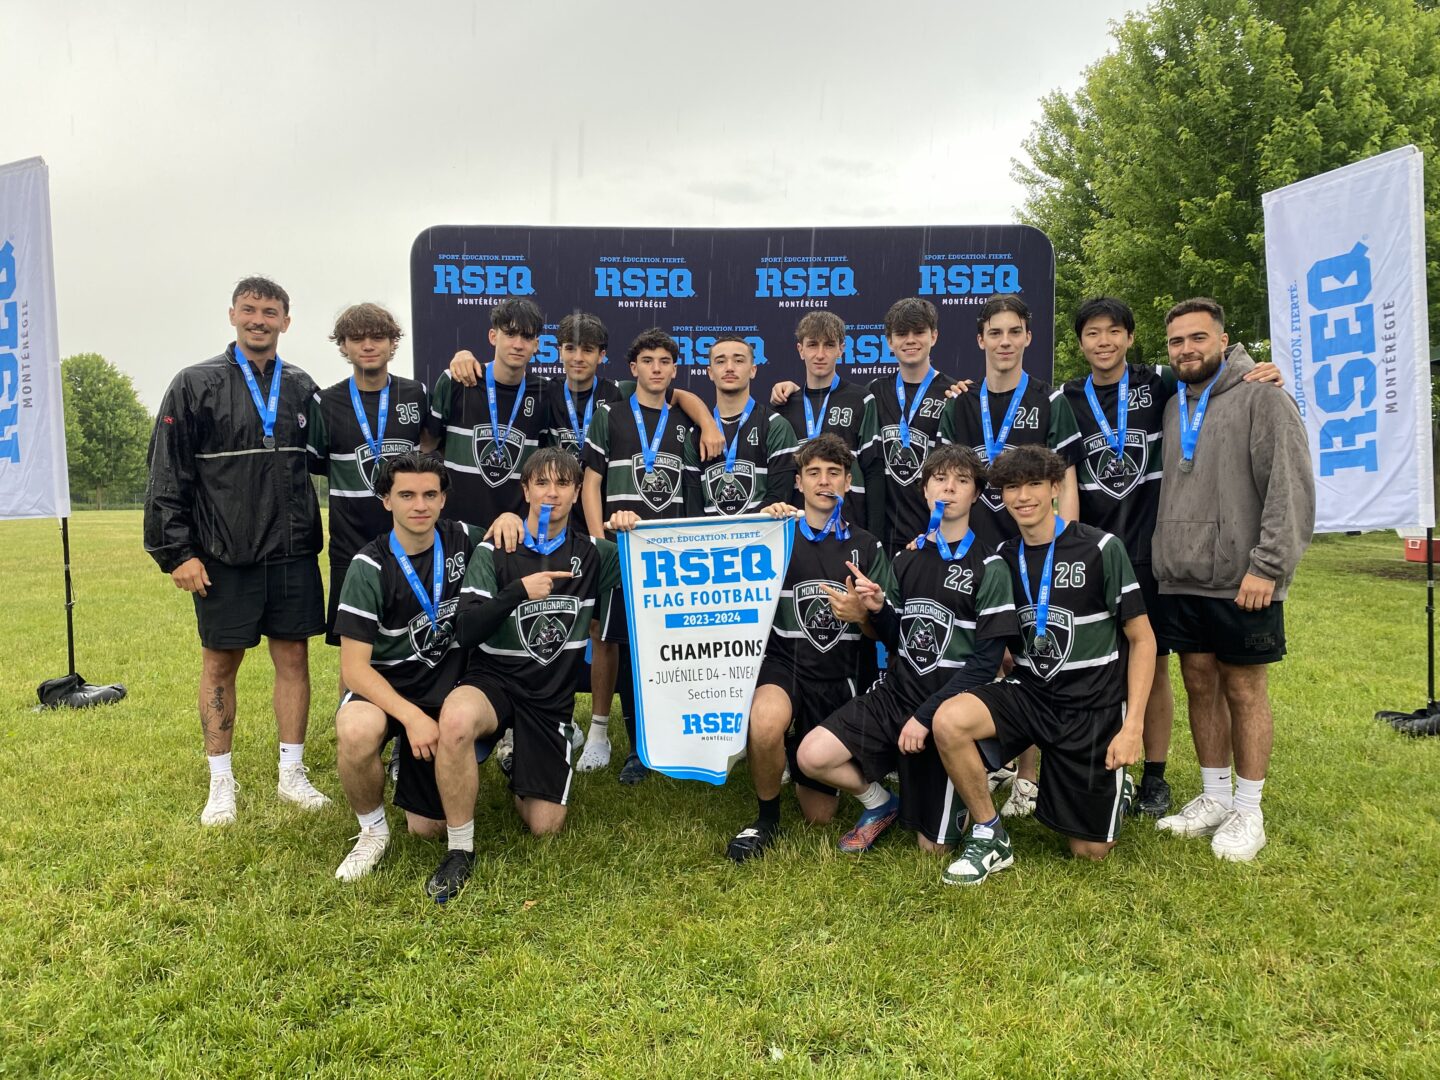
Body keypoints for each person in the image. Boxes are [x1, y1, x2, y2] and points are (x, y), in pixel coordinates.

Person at [1060, 296, 1286, 817]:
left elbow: (1213, 375)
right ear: (1080, 343)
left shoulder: (1159, 381)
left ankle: (1155, 778)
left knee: (1155, 666)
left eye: (1114, 331)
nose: (1103, 341)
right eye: (1092, 333)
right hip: (1095, 554)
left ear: (1130, 338)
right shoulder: (1064, 398)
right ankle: (1097, 765)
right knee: (1099, 665)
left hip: (1153, 555)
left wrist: (1257, 369)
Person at [144, 276, 330, 826]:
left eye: (270, 311)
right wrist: (177, 552)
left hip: (293, 552)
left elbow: (334, 458)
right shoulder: (194, 383)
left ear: (285, 322)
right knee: (221, 664)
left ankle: (291, 774)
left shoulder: (302, 387)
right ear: (232, 315)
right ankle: (221, 780)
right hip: (224, 555)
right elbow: (165, 472)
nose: (259, 319)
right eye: (249, 309)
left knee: (293, 660)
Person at [931, 445, 1156, 886]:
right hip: (1032, 693)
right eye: (1012, 487)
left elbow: (1142, 639)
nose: (1023, 496)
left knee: (1089, 852)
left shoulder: (1101, 548)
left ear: (1055, 488)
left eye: (1035, 484)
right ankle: (990, 833)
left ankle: (1115, 785)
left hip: (1091, 707)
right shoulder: (1001, 557)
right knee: (949, 721)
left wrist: (1134, 728)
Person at [1151, 298, 1313, 862]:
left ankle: (1250, 808)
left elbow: (1288, 488)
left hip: (1244, 579)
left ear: (1224, 341)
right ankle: (1216, 795)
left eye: (1198, 338)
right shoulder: (1174, 406)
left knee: (1244, 689)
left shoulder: (1264, 397)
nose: (1187, 349)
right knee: (1199, 683)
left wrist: (1268, 566)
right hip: (1181, 576)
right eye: (1176, 341)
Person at [422, 448, 619, 900]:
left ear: (576, 493)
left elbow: (650, 560)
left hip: (548, 698)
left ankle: (517, 762)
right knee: (454, 719)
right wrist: (516, 592)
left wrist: (626, 525)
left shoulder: (592, 554)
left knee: (545, 826)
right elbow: (468, 629)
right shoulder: (497, 548)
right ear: (525, 490)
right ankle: (460, 851)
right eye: (542, 483)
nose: (552, 492)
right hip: (495, 682)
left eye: (563, 484)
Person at [795, 446, 1013, 854]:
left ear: (976, 495)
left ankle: (960, 797)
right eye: (940, 480)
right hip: (896, 695)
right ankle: (881, 803)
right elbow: (896, 639)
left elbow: (986, 665)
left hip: (947, 709)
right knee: (812, 755)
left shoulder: (991, 566)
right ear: (925, 491)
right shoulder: (904, 559)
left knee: (933, 850)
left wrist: (926, 716)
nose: (950, 487)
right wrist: (876, 611)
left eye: (962, 481)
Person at [936, 293, 1082, 816]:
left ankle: (1028, 777)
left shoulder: (1050, 400)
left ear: (1027, 337)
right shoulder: (960, 403)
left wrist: (1066, 539)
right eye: (994, 333)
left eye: (1013, 331)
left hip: (1036, 547)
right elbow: (950, 479)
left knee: (1035, 654)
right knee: (994, 653)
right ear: (980, 340)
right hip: (980, 549)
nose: (1004, 341)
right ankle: (1001, 755)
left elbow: (1065, 479)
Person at [728, 434, 896, 862]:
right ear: (798, 482)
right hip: (784, 663)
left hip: (837, 676)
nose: (824, 481)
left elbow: (889, 634)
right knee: (765, 722)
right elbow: (723, 569)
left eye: (834, 474)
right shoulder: (774, 532)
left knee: (820, 816)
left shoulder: (868, 545)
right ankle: (765, 818)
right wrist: (757, 522)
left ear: (846, 482)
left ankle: (804, 758)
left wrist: (863, 615)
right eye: (814, 473)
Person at [330, 451, 492, 882]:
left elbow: (511, 538)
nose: (419, 505)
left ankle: (424, 763)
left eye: (429, 494)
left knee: (427, 830)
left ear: (442, 500)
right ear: (386, 500)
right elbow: (354, 669)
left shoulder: (463, 538)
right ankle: (372, 832)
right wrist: (411, 716)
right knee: (355, 730)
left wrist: (508, 522)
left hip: (445, 687)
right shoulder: (368, 567)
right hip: (386, 688)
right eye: (406, 494)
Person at [579, 329, 703, 782]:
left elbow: (689, 491)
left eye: (664, 361)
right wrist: (598, 540)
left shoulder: (684, 421)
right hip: (620, 550)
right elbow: (590, 482)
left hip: (668, 559)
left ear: (674, 369)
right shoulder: (609, 414)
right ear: (633, 369)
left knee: (659, 648)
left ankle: (663, 741)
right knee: (617, 642)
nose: (655, 368)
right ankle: (625, 743)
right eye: (647, 360)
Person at [307, 303, 439, 690]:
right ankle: (355, 721)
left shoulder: (415, 393)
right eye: (357, 338)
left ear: (392, 343)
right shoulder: (325, 402)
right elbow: (317, 463)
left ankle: (408, 728)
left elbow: (430, 450)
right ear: (343, 346)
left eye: (377, 337)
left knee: (414, 635)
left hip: (411, 542)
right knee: (356, 641)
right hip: (351, 544)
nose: (368, 346)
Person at [428, 298, 552, 532]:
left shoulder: (545, 393)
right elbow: (430, 442)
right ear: (493, 336)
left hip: (515, 531)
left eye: (526, 337)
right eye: (510, 334)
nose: (518, 344)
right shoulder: (456, 381)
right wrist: (461, 354)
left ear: (536, 345)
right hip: (456, 528)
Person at [767, 310, 886, 535]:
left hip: (849, 521)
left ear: (841, 349)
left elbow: (874, 471)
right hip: (795, 523)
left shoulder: (861, 399)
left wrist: (875, 534)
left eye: (829, 345)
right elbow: (778, 473)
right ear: (800, 350)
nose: (820, 354)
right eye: (812, 345)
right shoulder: (783, 405)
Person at [869, 298, 956, 553]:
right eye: (901, 333)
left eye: (919, 332)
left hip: (935, 534)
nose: (910, 340)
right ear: (889, 342)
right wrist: (795, 392)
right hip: (884, 537)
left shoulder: (952, 393)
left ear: (934, 336)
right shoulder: (875, 391)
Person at [693, 335, 798, 517]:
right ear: (710, 372)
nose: (730, 367)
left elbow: (780, 497)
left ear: (753, 370)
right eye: (720, 361)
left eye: (739, 360)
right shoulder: (696, 433)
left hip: (761, 541)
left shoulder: (776, 426)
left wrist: (739, 531)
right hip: (712, 543)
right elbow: (692, 510)